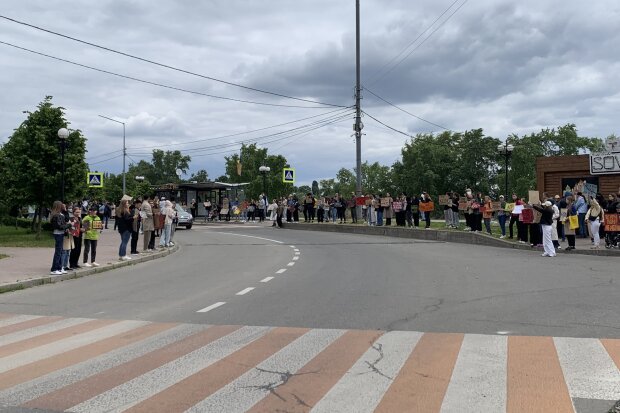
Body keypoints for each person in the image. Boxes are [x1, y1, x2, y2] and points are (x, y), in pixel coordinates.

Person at [49, 201, 70, 275]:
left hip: (61, 234)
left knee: (60, 251)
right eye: (61, 205)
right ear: (58, 206)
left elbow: (66, 220)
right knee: (58, 252)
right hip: (58, 234)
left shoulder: (60, 214)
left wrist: (65, 211)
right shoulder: (55, 215)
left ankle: (60, 267)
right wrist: (68, 225)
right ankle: (54, 269)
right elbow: (58, 226)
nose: (63, 206)